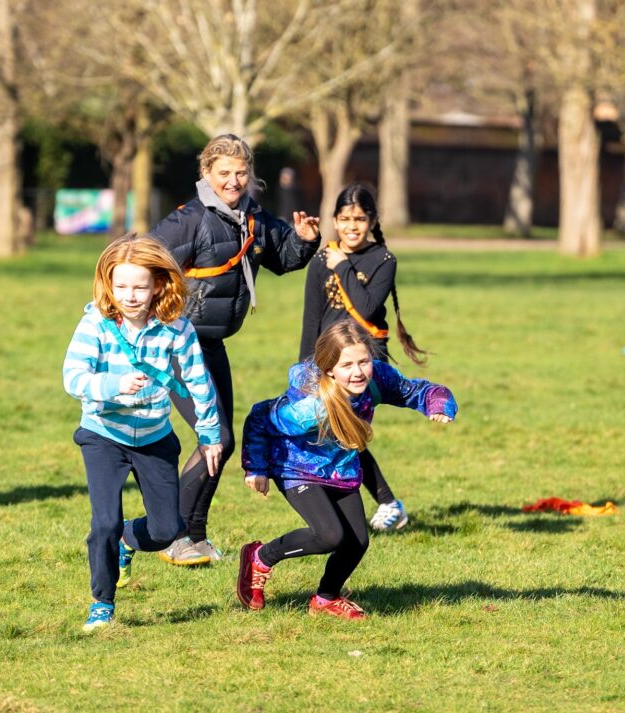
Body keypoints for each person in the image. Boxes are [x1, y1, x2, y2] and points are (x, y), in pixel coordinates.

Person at [151, 134, 320, 565]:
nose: (233, 180)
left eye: (240, 172)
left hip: (210, 343)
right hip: (177, 345)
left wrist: (303, 239)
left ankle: (193, 537)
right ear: (206, 173)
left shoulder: (253, 217)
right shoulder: (187, 221)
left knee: (221, 442)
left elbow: (283, 257)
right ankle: (172, 537)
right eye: (224, 173)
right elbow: (144, 263)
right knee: (217, 437)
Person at [237, 321, 456, 618]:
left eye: (364, 361)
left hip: (341, 469)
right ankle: (259, 557)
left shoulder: (376, 380)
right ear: (329, 369)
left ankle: (326, 598)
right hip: (296, 466)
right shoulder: (310, 404)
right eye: (347, 365)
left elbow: (414, 391)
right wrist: (256, 467)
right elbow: (261, 417)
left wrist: (438, 404)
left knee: (357, 541)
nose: (358, 372)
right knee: (329, 535)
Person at [63, 235, 222, 630]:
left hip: (155, 438)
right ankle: (103, 602)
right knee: (104, 522)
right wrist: (114, 383)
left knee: (168, 530)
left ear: (158, 286)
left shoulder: (176, 328)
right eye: (121, 286)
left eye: (139, 287)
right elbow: (73, 377)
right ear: (108, 285)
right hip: (103, 434)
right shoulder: (95, 324)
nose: (130, 296)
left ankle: (127, 540)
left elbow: (199, 381)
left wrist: (210, 434)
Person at [298, 184, 427, 532]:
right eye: (344, 219)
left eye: (359, 219)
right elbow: (312, 319)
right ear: (334, 220)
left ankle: (384, 503)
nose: (351, 226)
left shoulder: (383, 260)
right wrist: (303, 371)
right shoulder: (322, 259)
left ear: (371, 220)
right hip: (327, 363)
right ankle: (375, 504)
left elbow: (368, 308)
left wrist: (342, 268)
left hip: (364, 364)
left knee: (345, 432)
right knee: (332, 433)